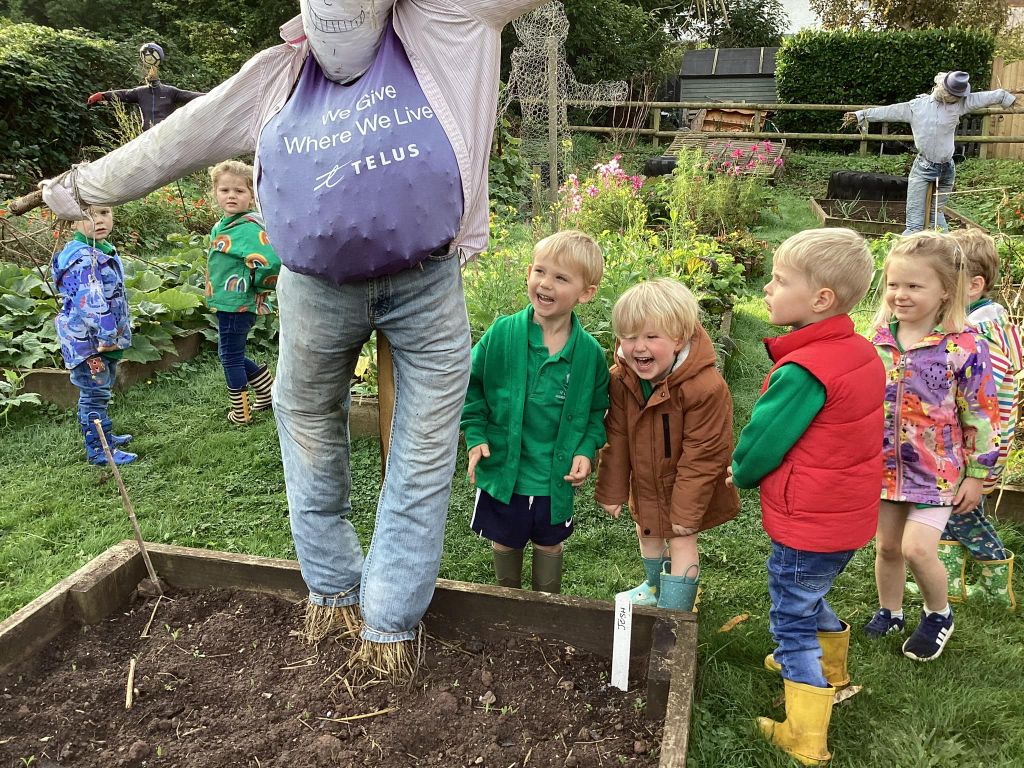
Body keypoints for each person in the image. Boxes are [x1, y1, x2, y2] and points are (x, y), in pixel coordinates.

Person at [42, 0, 552, 678]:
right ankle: (362, 611)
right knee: (371, 435)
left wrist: (70, 190)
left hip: (385, 285)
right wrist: (73, 190)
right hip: (355, 285)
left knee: (370, 435)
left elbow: (173, 143)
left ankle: (367, 610)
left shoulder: (426, 25)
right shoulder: (329, 56)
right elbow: (172, 143)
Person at [729, 228, 884, 766]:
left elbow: (763, 439)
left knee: (790, 613)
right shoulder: (860, 352)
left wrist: (740, 472)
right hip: (848, 516)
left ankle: (805, 735)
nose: (768, 289)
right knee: (811, 590)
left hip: (809, 520)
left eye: (779, 280)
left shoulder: (803, 371)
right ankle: (833, 671)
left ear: (820, 300)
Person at [864, 232, 1000, 662]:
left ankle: (938, 613)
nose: (900, 295)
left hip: (938, 472)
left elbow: (982, 412)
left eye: (914, 286)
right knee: (886, 547)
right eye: (893, 284)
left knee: (916, 548)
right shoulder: (878, 342)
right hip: (884, 468)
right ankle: (891, 611)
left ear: (945, 290)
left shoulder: (963, 347)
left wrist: (978, 475)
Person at [461, 230, 609, 594]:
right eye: (540, 271)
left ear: (585, 293)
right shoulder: (503, 334)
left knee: (549, 543)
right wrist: (476, 434)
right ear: (528, 272)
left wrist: (584, 450)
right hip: (504, 471)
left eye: (561, 278)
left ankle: (547, 607)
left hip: (553, 478)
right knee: (505, 540)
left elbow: (596, 412)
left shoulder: (589, 356)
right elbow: (471, 384)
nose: (545, 283)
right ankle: (509, 601)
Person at [596, 278, 739, 613]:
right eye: (629, 337)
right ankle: (655, 586)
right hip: (646, 479)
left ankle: (676, 613)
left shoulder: (705, 388)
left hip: (687, 483)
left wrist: (686, 512)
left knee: (681, 539)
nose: (638, 347)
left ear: (678, 340)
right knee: (646, 528)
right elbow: (615, 436)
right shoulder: (621, 379)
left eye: (651, 337)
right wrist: (613, 489)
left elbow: (704, 456)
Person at [920, 228, 1020, 609]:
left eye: (944, 283)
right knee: (947, 510)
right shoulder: (992, 325)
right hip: (968, 448)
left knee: (962, 512)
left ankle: (995, 579)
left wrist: (979, 461)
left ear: (973, 285)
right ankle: (950, 577)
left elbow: (981, 406)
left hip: (973, 450)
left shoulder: (976, 336)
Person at [842, 71, 1016, 235]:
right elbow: (888, 111)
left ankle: (945, 254)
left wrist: (1008, 98)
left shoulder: (960, 103)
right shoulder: (916, 106)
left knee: (930, 217)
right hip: (924, 168)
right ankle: (918, 256)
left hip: (947, 169)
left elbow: (991, 96)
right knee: (918, 223)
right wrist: (860, 115)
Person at [52, 205, 137, 466]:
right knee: (94, 394)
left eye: (104, 213)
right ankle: (100, 449)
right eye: (88, 216)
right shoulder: (82, 259)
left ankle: (105, 439)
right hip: (91, 343)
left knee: (101, 389)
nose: (98, 220)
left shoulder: (101, 249)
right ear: (72, 222)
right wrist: (107, 333)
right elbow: (90, 302)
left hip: (102, 341)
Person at [206, 160, 281, 424]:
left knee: (229, 356)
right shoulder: (226, 224)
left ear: (252, 195)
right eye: (224, 190)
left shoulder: (247, 227)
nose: (231, 196)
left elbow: (270, 261)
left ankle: (241, 412)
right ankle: (267, 391)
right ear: (215, 192)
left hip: (239, 303)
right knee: (231, 353)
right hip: (229, 301)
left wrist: (259, 285)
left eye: (239, 191)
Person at [87, 43, 205, 131]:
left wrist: (220, 94)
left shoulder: (170, 91)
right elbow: (122, 94)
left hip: (168, 133)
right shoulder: (140, 92)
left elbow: (193, 96)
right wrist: (102, 95)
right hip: (147, 136)